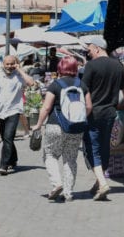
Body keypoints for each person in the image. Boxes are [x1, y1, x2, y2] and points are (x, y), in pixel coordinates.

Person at [30, 56, 92, 202]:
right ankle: (68, 192)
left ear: (60, 69)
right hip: (76, 128)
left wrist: (39, 124)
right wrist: (79, 118)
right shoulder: (82, 85)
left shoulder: (55, 85)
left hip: (55, 125)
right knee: (70, 159)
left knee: (50, 155)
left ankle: (57, 183)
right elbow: (89, 106)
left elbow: (46, 107)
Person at [80, 35, 124, 200]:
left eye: (90, 49)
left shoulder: (91, 66)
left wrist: (85, 109)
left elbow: (84, 89)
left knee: (91, 147)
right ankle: (99, 182)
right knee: (104, 146)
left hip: (92, 112)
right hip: (110, 113)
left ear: (97, 48)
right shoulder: (119, 66)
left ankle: (103, 183)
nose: (88, 52)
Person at [0, 54, 36, 175]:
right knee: (6, 139)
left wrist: (19, 69)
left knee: (8, 137)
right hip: (1, 111)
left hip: (14, 110)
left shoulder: (19, 76)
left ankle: (3, 165)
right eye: (7, 64)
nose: (9, 66)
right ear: (3, 65)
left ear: (16, 64)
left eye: (12, 64)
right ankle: (13, 159)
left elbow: (31, 83)